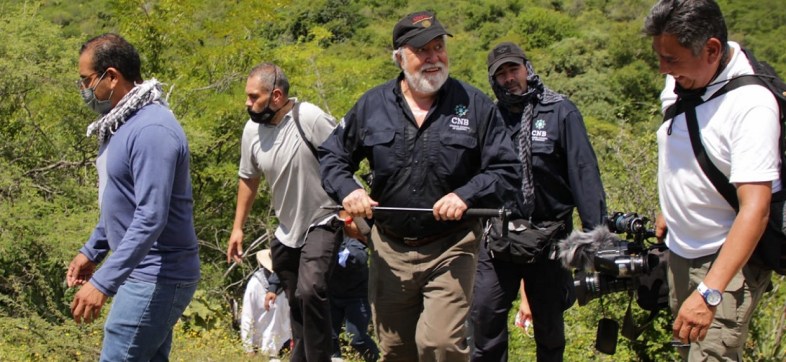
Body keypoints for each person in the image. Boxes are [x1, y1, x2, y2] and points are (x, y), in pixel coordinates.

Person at [319, 10, 520, 362]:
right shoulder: (372, 105)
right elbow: (332, 157)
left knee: (439, 345)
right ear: (399, 57)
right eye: (421, 50)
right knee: (396, 351)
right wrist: (349, 191)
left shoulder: (475, 105)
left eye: (438, 47)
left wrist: (465, 194)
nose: (433, 58)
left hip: (451, 245)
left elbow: (506, 170)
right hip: (389, 248)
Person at [644, 0, 778, 360]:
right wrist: (670, 206)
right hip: (680, 250)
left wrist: (710, 292)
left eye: (671, 59)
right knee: (687, 351)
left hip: (724, 264)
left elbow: (757, 208)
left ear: (712, 50)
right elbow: (683, 144)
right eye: (659, 56)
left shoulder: (751, 105)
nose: (662, 69)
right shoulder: (683, 81)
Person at [66, 33, 200, 361]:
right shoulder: (122, 124)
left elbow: (150, 216)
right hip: (143, 271)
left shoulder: (152, 130)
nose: (84, 90)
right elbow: (122, 202)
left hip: (157, 274)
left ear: (111, 77)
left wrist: (103, 283)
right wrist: (92, 250)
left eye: (86, 81)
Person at [470, 42, 607, 362]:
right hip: (498, 237)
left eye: (513, 69)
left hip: (550, 237)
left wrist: (595, 237)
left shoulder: (561, 111)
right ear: (493, 80)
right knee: (485, 316)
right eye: (500, 73)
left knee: (549, 328)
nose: (509, 78)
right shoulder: (489, 117)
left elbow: (584, 173)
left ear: (526, 68)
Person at [226, 62, 363, 362]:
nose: (247, 103)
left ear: (276, 96)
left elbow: (343, 160)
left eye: (253, 97)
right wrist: (238, 227)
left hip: (325, 217)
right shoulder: (252, 131)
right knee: (298, 303)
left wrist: (353, 206)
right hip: (286, 229)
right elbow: (248, 178)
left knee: (311, 289)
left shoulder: (309, 117)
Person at [328, 237, 379, 362]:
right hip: (332, 296)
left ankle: (375, 359)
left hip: (357, 297)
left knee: (356, 338)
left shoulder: (351, 241)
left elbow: (361, 257)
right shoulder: (320, 242)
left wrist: (337, 251)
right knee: (330, 338)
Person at [240, 249, 292, 359]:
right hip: (259, 346)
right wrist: (248, 348)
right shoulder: (255, 284)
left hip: (284, 344)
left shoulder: (289, 284)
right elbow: (247, 317)